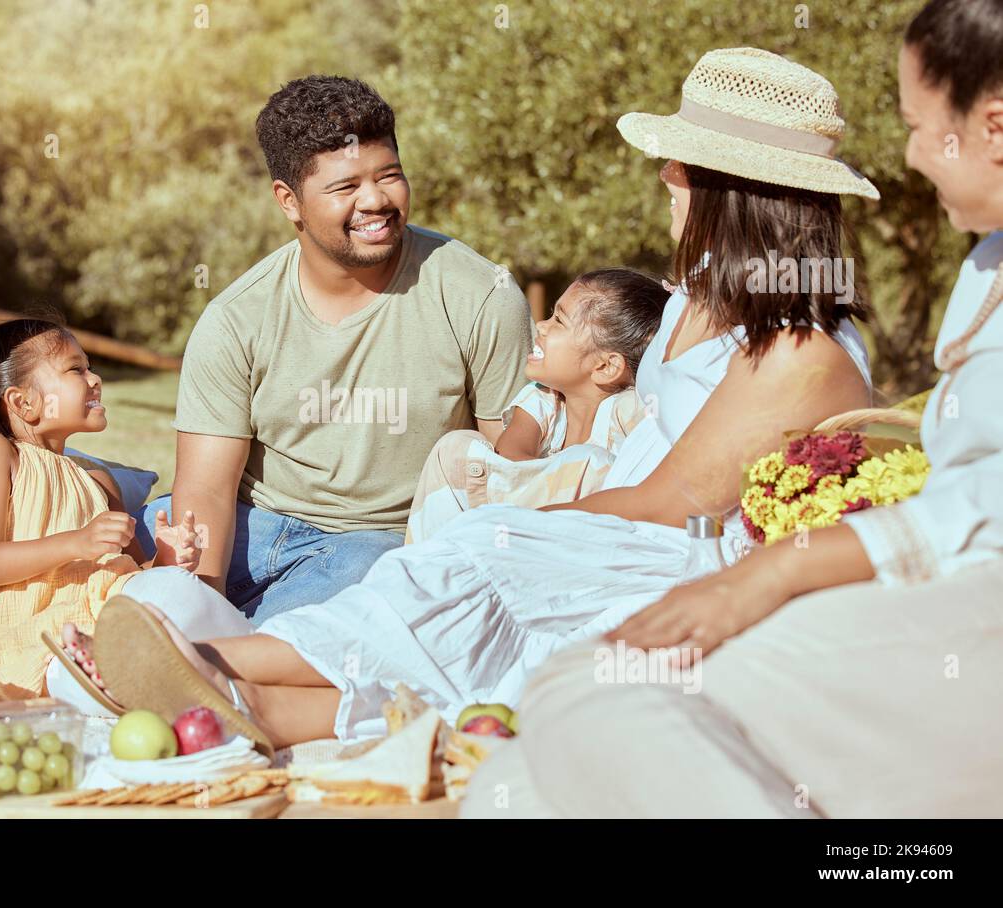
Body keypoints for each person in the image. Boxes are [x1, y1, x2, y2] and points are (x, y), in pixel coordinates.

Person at [81, 48, 879, 750]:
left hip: (677, 540)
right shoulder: (697, 293)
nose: (665, 176)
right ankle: (229, 682)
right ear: (288, 198)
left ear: (733, 189)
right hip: (626, 513)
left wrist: (521, 519)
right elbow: (206, 495)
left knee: (470, 565)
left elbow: (675, 499)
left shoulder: (800, 349)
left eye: (683, 165)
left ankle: (203, 666)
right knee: (468, 565)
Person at [462, 0, 1003, 820]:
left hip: (969, 607)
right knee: (511, 790)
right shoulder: (985, 266)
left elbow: (977, 508)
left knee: (588, 681)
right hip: (937, 588)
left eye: (919, 125)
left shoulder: (801, 347)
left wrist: (773, 572)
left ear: (993, 126)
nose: (910, 155)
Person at [138, 75, 533, 624]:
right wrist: (192, 606)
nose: (376, 200)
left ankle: (244, 663)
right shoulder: (235, 319)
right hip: (255, 523)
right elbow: (204, 489)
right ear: (289, 201)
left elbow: (514, 467)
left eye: (389, 176)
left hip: (375, 543)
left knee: (340, 596)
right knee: (135, 538)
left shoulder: (479, 296)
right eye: (346, 187)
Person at [0, 319, 238, 703]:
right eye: (77, 369)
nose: (95, 379)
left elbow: (137, 573)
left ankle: (246, 670)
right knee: (76, 669)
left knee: (174, 590)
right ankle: (142, 677)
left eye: (90, 367)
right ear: (23, 402)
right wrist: (78, 542)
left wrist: (167, 559)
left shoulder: (99, 482)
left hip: (116, 611)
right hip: (42, 635)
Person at [406, 268, 666, 543]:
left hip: (581, 540)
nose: (542, 325)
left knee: (591, 460)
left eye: (559, 321)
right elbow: (509, 454)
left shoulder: (627, 409)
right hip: (516, 510)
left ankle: (490, 532)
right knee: (455, 445)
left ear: (605, 366)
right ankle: (431, 559)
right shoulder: (543, 397)